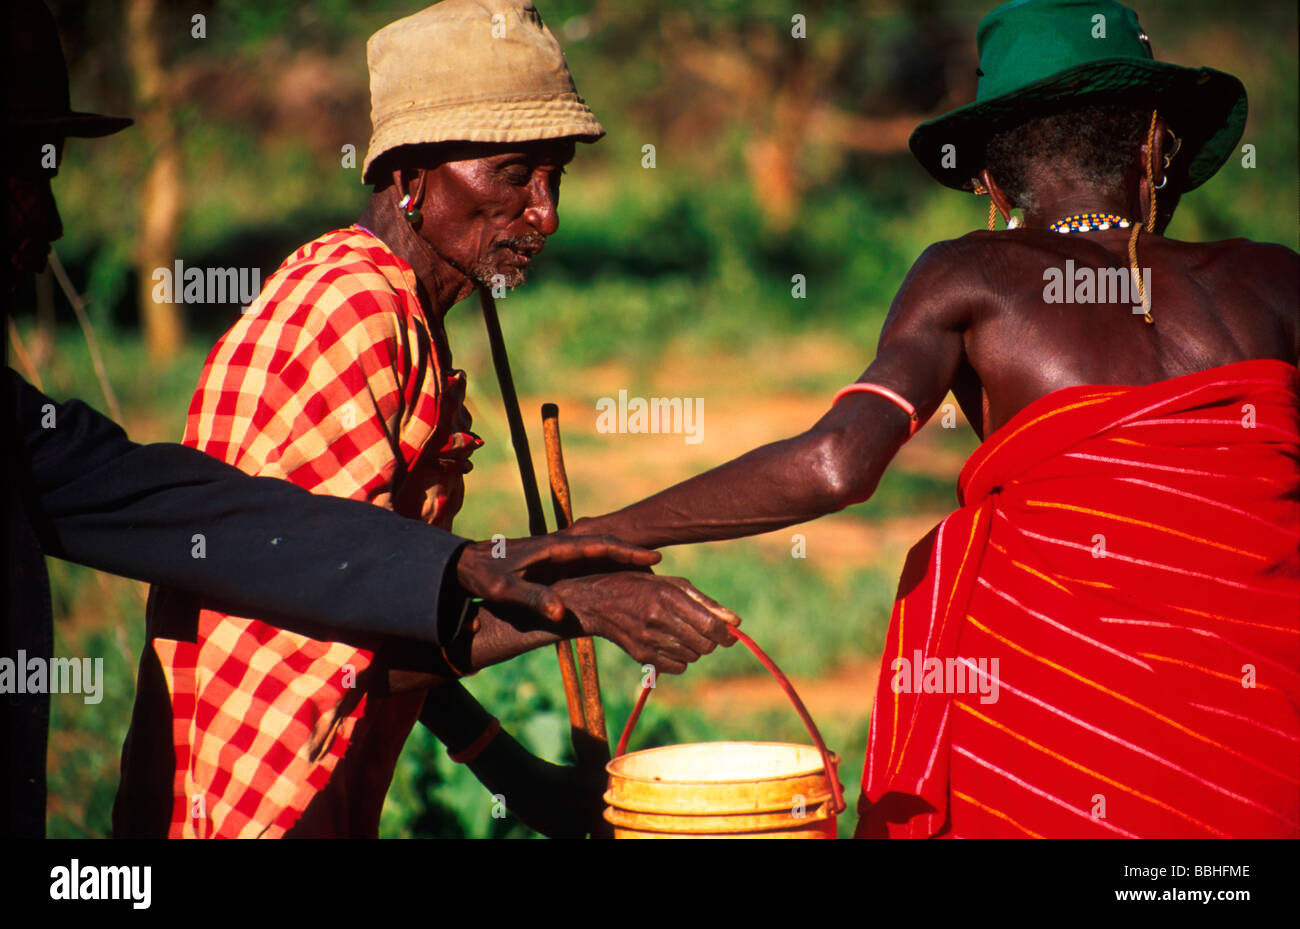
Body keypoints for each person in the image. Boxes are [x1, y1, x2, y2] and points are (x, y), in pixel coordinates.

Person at [562, 0, 1300, 837]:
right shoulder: (1277, 280)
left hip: (1058, 747)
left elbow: (840, 462)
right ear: (1154, 146)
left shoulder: (972, 272)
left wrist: (608, 530)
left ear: (989, 177)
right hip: (1269, 753)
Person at [4, 0, 732, 839]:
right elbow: (316, 623)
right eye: (513, 174)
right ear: (411, 177)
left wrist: (503, 758)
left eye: (554, 176)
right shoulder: (351, 310)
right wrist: (572, 601)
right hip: (263, 800)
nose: (546, 214)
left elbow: (370, 578)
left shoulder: (406, 312)